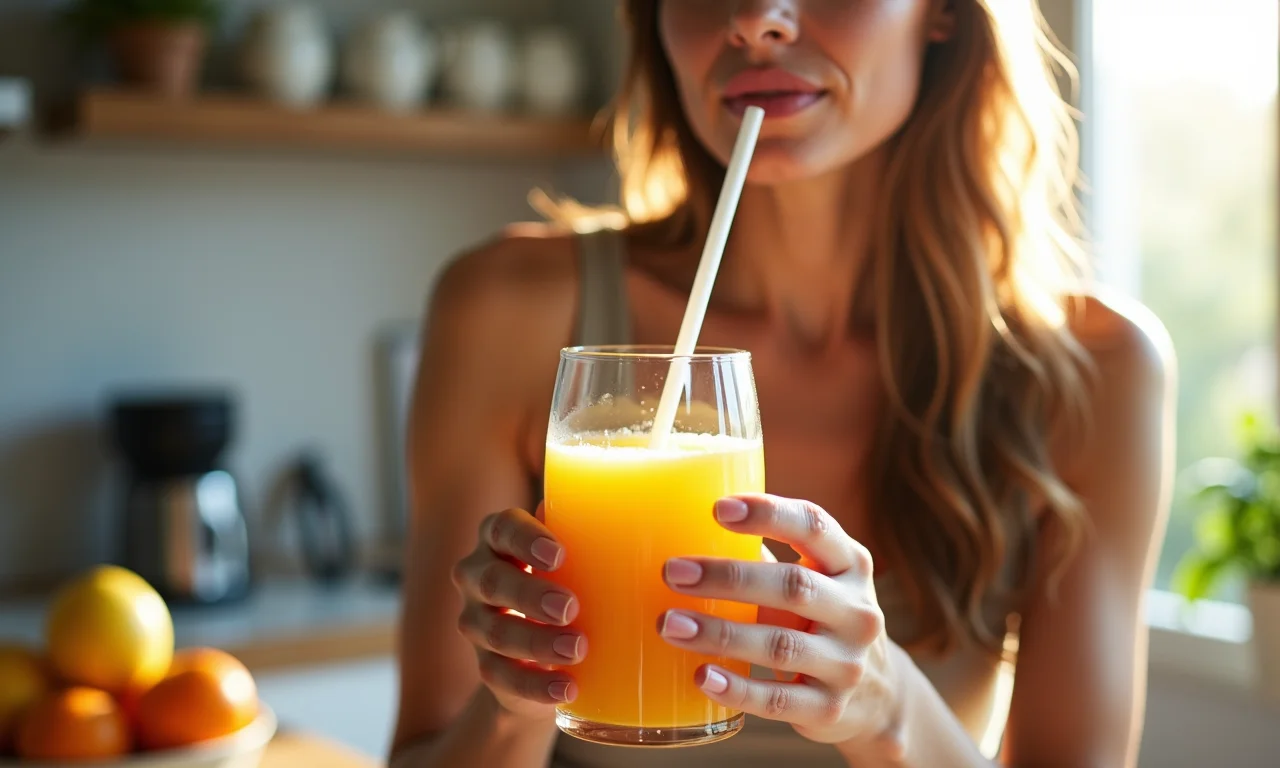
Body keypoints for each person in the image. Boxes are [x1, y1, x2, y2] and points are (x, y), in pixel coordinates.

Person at [391, 1, 1174, 766]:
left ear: (941, 11)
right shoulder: (508, 312)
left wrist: (889, 710)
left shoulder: (1097, 372)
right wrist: (514, 709)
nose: (756, 17)